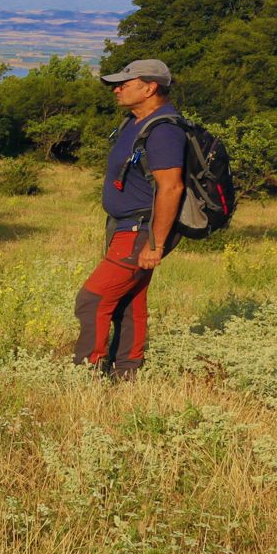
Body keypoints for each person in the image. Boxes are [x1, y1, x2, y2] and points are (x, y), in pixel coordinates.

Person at [73, 58, 186, 381]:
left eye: (125, 83)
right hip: (128, 227)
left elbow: (171, 187)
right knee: (129, 300)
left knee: (92, 300)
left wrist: (156, 243)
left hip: (141, 230)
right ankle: (126, 374)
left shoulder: (163, 131)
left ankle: (86, 376)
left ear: (150, 87)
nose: (117, 88)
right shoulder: (134, 122)